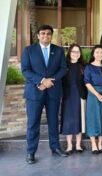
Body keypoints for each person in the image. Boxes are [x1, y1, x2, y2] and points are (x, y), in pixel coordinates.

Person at [21, 25, 68, 164]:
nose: (45, 36)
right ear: (38, 35)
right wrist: (41, 81)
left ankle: (55, 147)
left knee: (53, 122)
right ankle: (30, 152)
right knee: (33, 123)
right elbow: (25, 70)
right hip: (35, 92)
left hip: (53, 91)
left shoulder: (58, 51)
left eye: (48, 34)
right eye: (42, 33)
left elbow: (63, 68)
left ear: (51, 35)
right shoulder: (29, 50)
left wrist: (50, 81)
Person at [84, 45, 102, 154]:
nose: (99, 54)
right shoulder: (88, 67)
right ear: (93, 54)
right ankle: (94, 144)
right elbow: (87, 82)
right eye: (97, 52)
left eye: (101, 52)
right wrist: (97, 94)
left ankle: (100, 143)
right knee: (93, 118)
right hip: (92, 94)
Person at [60, 44, 86, 155]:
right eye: (73, 51)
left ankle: (78, 145)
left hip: (79, 95)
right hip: (67, 95)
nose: (76, 53)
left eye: (78, 51)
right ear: (69, 53)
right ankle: (69, 145)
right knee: (68, 119)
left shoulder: (83, 66)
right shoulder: (64, 66)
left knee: (79, 119)